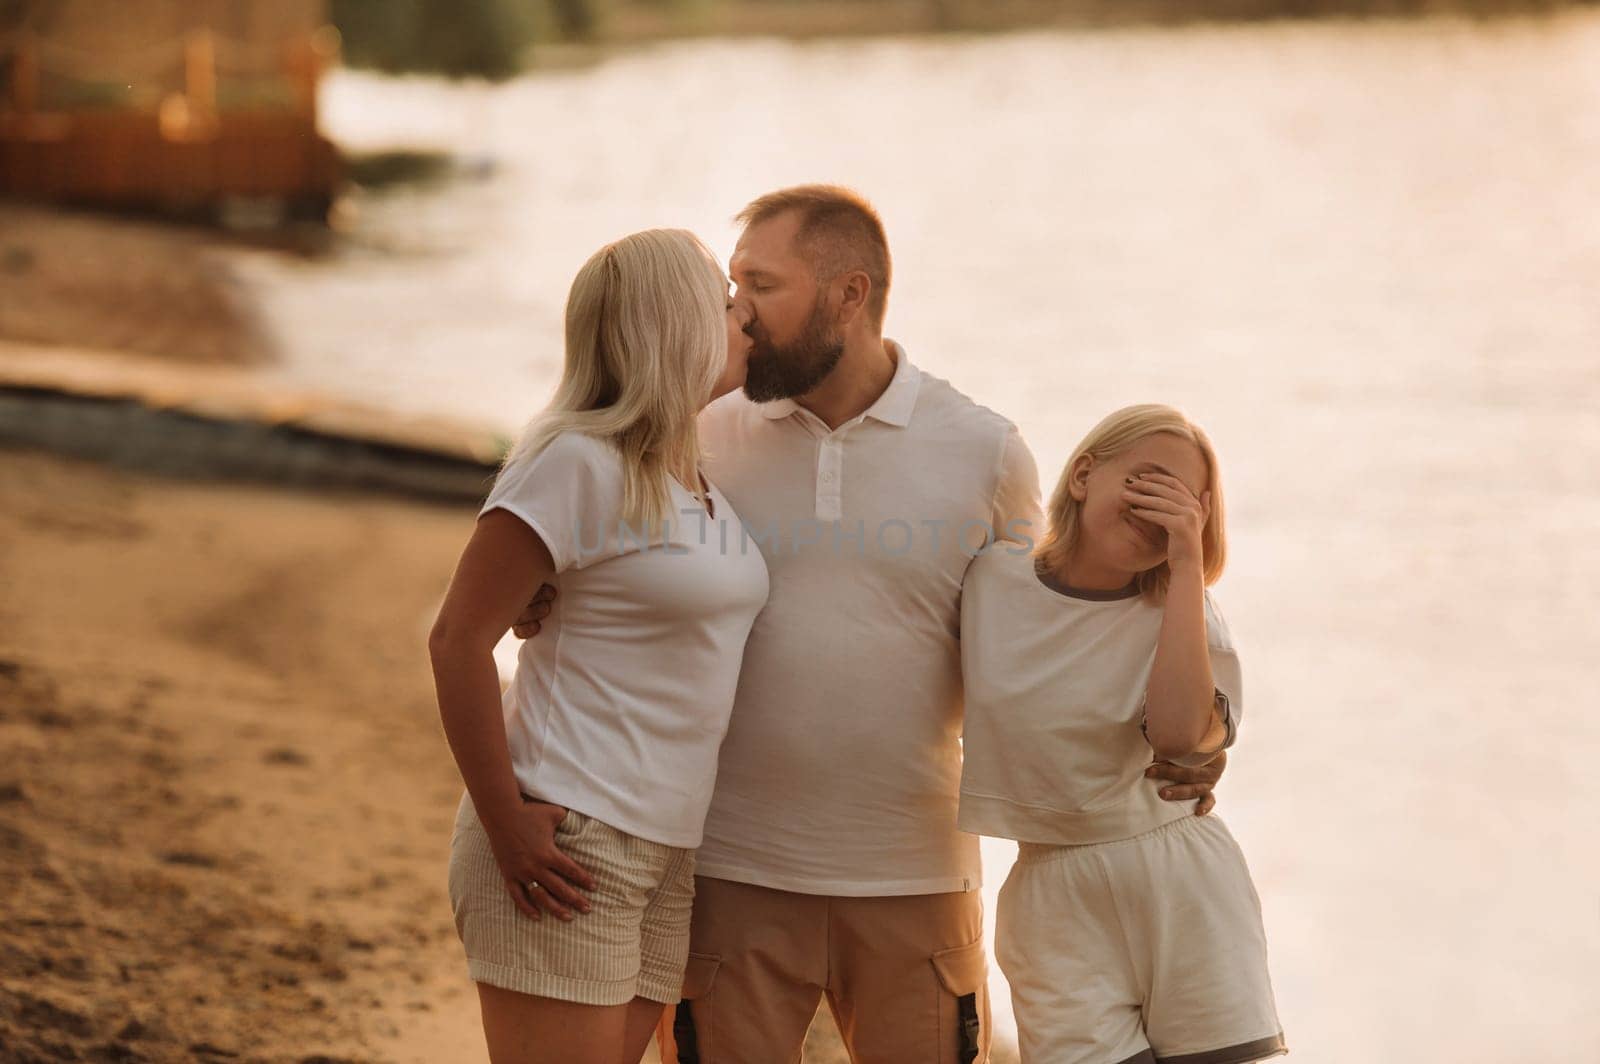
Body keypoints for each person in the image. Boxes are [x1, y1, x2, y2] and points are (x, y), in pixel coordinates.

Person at [513, 187, 1228, 1063]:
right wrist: (537, 593)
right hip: (729, 868)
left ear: (849, 297)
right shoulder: (696, 430)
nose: (734, 311)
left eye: (760, 286)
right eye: (731, 286)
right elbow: (579, 525)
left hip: (916, 878)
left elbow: (1054, 619)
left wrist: (1196, 730)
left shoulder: (984, 450)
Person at [427, 228, 770, 1064]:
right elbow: (456, 638)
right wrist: (506, 820)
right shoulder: (577, 460)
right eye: (726, 307)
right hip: (570, 836)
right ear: (677, 327)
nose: (746, 320)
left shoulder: (689, 476)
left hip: (665, 846)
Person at [959, 404, 1286, 1064]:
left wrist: (1188, 562)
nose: (1163, 507)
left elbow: (1175, 738)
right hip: (1050, 895)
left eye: (1186, 500)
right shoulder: (989, 580)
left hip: (1179, 884)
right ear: (1084, 475)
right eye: (1148, 480)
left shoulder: (1184, 611)